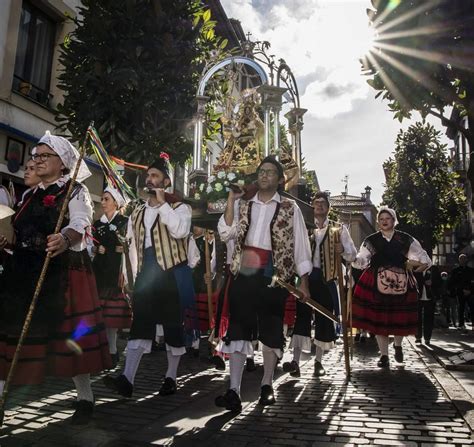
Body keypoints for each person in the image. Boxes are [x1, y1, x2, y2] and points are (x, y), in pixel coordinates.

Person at [0, 131, 111, 424]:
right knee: (11, 335)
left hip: (60, 272)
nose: (35, 161)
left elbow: (81, 223)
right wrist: (8, 244)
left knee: (69, 341)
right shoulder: (29, 195)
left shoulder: (75, 191)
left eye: (43, 156)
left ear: (62, 163)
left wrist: (64, 237)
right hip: (23, 272)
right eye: (34, 156)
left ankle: (85, 396)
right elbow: (23, 234)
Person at [215, 156, 312, 412]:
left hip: (274, 275)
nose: (264, 175)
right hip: (244, 273)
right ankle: (233, 390)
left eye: (270, 172)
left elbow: (301, 246)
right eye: (261, 171)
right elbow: (225, 232)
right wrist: (231, 200)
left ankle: (267, 385)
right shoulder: (244, 204)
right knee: (237, 329)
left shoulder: (291, 208)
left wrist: (304, 282)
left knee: (270, 330)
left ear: (280, 180)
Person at [103, 157, 195, 397]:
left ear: (166, 181)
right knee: (140, 325)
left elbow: (179, 230)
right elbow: (133, 247)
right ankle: (127, 378)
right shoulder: (139, 211)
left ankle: (171, 377)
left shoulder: (180, 208)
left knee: (173, 328)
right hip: (147, 274)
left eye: (155, 176)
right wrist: (130, 276)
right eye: (149, 176)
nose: (150, 179)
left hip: (171, 274)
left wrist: (163, 203)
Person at [283, 191, 357, 377]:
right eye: (316, 203)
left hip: (327, 280)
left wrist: (343, 250)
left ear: (328, 207)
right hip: (306, 279)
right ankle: (295, 361)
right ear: (312, 206)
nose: (319, 206)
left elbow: (352, 255)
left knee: (324, 321)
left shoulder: (338, 229)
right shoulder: (304, 227)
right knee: (302, 319)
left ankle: (318, 362)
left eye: (323, 203)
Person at [352, 207, 431, 367]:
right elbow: (362, 260)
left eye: (388, 218)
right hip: (375, 281)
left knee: (398, 317)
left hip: (400, 282)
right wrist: (352, 257)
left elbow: (424, 258)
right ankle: (384, 356)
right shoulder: (371, 240)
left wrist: (416, 264)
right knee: (379, 319)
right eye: (381, 219)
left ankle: (397, 345)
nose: (384, 221)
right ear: (378, 222)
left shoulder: (405, 239)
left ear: (394, 220)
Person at [92, 187, 132, 366]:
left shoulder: (124, 221)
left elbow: (131, 243)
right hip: (99, 271)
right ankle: (100, 351)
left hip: (116, 271)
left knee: (112, 315)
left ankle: (113, 350)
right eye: (102, 199)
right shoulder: (97, 224)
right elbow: (89, 244)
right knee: (99, 314)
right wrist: (95, 249)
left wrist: (122, 249)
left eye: (106, 199)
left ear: (116, 203)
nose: (103, 202)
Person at [450, 254, 474, 330]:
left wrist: (470, 290)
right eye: (461, 259)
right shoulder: (455, 271)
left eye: (464, 259)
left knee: (472, 307)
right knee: (461, 308)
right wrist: (461, 290)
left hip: (470, 292)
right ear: (459, 260)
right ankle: (461, 324)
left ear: (466, 260)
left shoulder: (471, 270)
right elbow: (453, 282)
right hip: (460, 292)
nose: (463, 260)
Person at [415, 267, 438, 345]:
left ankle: (427, 338)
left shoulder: (434, 269)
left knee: (429, 318)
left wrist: (433, 282)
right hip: (418, 297)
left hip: (430, 297)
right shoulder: (416, 269)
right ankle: (418, 337)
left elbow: (439, 282)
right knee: (417, 318)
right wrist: (424, 282)